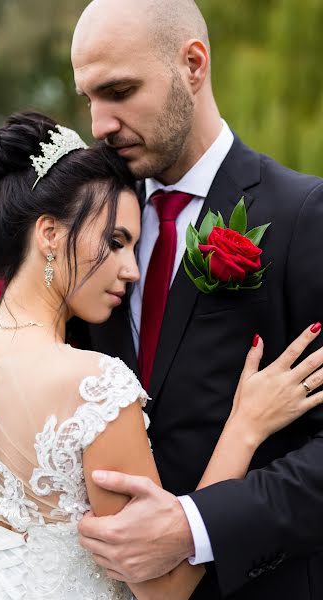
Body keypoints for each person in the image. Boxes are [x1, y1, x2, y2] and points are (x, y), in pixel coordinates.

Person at [0, 111, 323, 600]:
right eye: (115, 243)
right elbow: (165, 589)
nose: (132, 269)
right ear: (48, 234)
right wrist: (245, 426)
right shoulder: (94, 385)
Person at [67, 0, 323, 598]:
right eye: (89, 100)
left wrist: (195, 525)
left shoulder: (302, 215)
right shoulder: (87, 221)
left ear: (193, 64)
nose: (101, 124)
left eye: (121, 90)